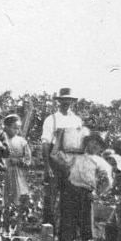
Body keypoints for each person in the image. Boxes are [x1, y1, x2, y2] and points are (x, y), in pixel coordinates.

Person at [50, 131, 113, 241]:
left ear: (101, 148)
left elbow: (109, 182)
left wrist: (97, 194)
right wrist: (59, 138)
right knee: (69, 230)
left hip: (86, 195)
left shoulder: (100, 162)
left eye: (98, 144)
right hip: (71, 193)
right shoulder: (75, 157)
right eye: (92, 141)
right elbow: (55, 155)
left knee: (86, 232)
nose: (94, 145)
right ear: (87, 142)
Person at [41, 88, 85, 232]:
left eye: (69, 100)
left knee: (69, 198)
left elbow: (80, 143)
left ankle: (65, 234)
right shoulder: (51, 119)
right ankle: (49, 231)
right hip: (55, 160)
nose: (66, 103)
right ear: (59, 101)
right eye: (63, 100)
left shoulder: (77, 120)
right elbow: (46, 143)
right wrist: (47, 166)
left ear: (72, 101)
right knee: (51, 197)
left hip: (71, 161)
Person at [2, 114, 32, 231]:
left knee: (18, 199)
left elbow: (28, 160)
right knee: (4, 199)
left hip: (17, 174)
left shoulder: (21, 141)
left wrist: (18, 161)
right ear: (6, 127)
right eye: (14, 127)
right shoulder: (1, 138)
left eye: (18, 128)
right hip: (3, 172)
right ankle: (3, 228)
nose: (16, 130)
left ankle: (17, 227)